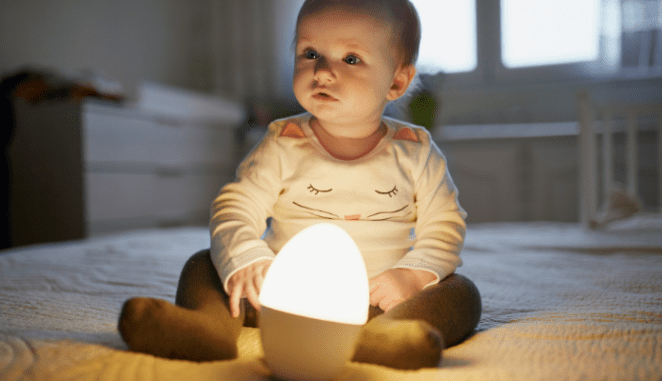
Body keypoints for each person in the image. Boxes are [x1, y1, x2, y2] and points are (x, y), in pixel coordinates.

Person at [118, 0, 481, 370]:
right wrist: (249, 260)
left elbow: (445, 226)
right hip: (278, 301)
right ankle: (207, 330)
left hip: (378, 303)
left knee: (460, 292)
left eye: (351, 59)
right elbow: (236, 206)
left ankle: (388, 338)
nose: (322, 71)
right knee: (204, 264)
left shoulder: (415, 150)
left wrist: (412, 275)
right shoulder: (284, 141)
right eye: (310, 53)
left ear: (397, 82)